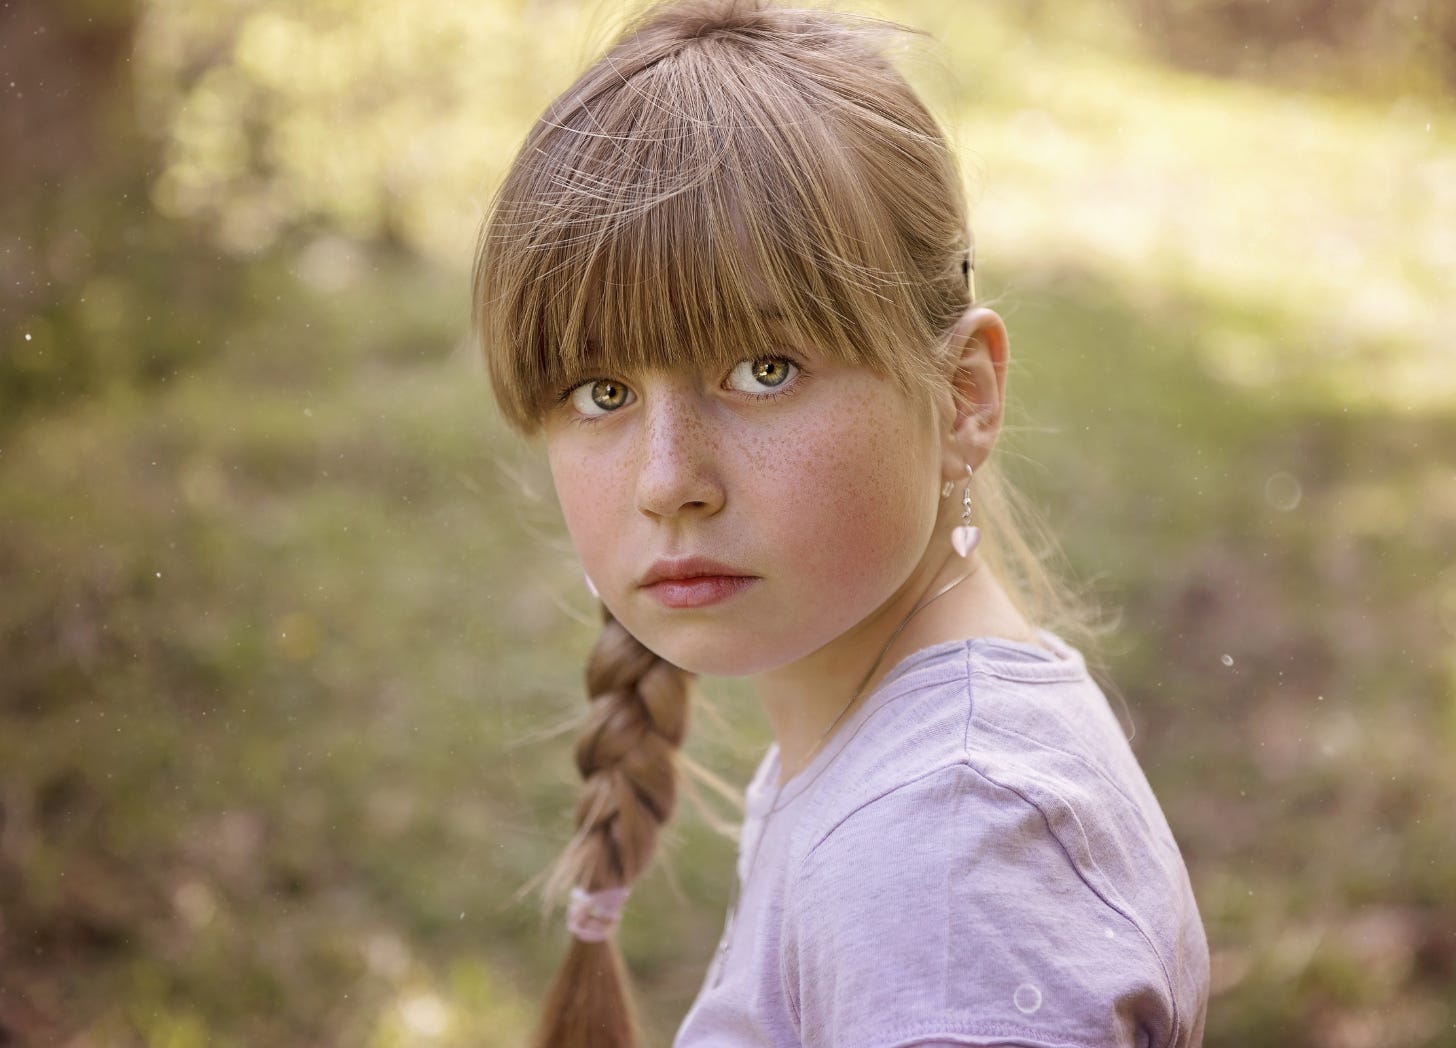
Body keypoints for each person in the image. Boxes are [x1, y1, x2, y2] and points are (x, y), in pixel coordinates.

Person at [472, 1, 1210, 1045]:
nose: (668, 480)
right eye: (600, 392)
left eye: (761, 370)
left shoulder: (946, 850)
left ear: (962, 397)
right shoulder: (890, 764)